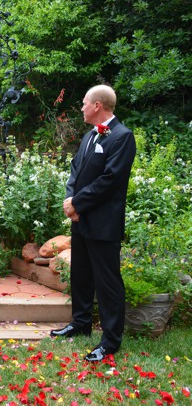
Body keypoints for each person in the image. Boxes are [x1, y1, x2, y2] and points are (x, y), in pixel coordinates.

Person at [50, 85, 136, 362]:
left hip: (103, 222)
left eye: (85, 103)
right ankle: (80, 323)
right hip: (81, 218)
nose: (82, 107)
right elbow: (75, 170)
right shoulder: (89, 135)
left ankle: (110, 341)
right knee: (81, 275)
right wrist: (70, 201)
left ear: (98, 105)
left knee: (108, 282)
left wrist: (79, 203)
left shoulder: (122, 137)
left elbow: (111, 180)